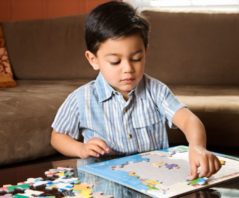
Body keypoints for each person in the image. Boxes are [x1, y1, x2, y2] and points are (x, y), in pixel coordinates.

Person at [51, 1, 221, 180]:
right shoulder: (81, 99)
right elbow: (57, 136)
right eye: (115, 62)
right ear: (93, 59)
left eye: (137, 58)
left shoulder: (156, 91)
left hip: (153, 180)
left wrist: (197, 147)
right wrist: (80, 149)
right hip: (105, 183)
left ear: (145, 52)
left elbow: (189, 120)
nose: (128, 69)